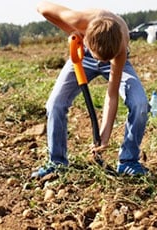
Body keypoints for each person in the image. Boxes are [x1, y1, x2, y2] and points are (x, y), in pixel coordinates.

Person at [31, 1, 149, 178]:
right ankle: (57, 162)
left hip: (115, 60)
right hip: (83, 55)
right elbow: (42, 8)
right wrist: (72, 31)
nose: (100, 63)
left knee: (140, 103)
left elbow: (111, 93)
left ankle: (128, 161)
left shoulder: (120, 47)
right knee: (55, 103)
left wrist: (104, 135)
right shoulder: (79, 20)